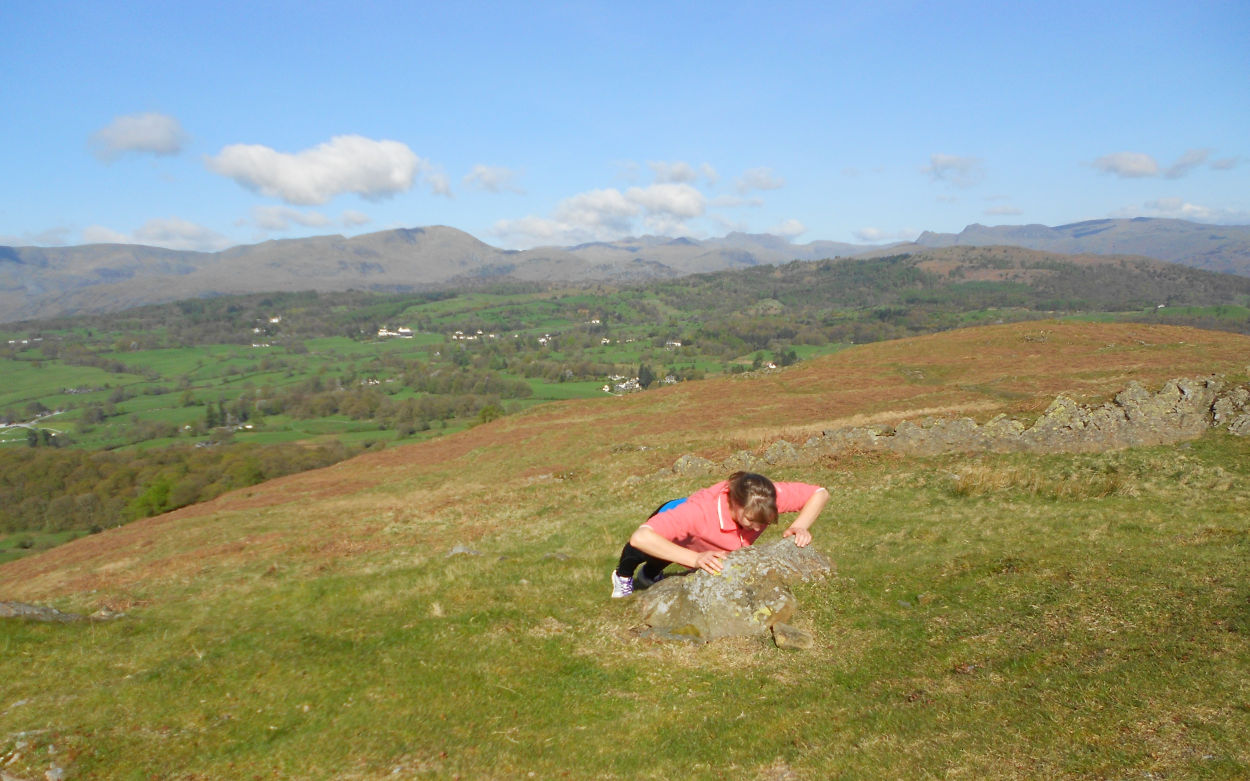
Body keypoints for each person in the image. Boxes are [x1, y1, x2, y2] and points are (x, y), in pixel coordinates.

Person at [610, 471, 829, 598]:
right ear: (734, 503)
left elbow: (819, 493)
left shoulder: (764, 496)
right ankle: (622, 576)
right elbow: (641, 537)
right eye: (750, 521)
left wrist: (800, 526)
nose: (755, 528)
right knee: (643, 551)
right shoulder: (698, 513)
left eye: (762, 522)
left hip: (698, 536)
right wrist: (695, 559)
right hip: (674, 515)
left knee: (664, 560)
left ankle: (649, 575)